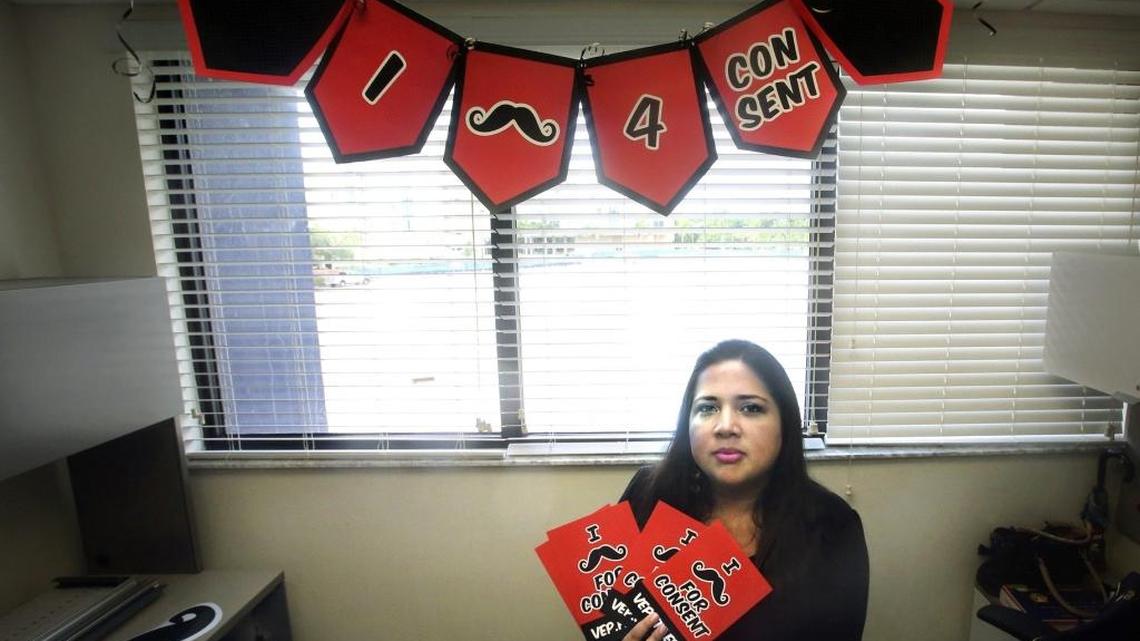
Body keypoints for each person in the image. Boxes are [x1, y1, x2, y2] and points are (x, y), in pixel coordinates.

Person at [619, 339, 868, 641]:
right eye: (707, 407)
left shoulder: (833, 526)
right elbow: (607, 619)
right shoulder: (647, 495)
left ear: (784, 424)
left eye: (750, 408)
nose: (726, 426)